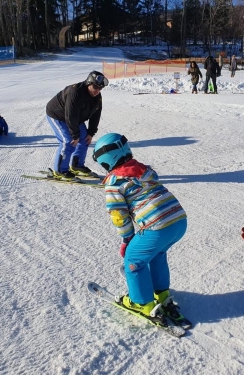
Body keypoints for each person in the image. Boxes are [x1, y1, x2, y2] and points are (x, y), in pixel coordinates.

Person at [93, 132, 188, 319]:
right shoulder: (144, 171)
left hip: (158, 226)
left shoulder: (113, 183)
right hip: (179, 221)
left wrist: (127, 239)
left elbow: (120, 216)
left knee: (133, 260)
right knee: (157, 254)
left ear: (107, 159)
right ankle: (162, 294)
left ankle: (141, 303)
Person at [45, 71, 108, 179]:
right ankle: (60, 170)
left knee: (85, 139)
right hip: (58, 115)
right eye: (95, 87)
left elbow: (96, 114)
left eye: (100, 88)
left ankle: (77, 166)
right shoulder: (75, 92)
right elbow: (70, 115)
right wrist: (75, 135)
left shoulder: (97, 97)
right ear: (89, 83)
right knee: (68, 141)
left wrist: (91, 132)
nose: (97, 91)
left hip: (75, 118)